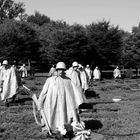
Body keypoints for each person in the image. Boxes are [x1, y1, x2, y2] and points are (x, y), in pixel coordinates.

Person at [38, 62, 84, 135]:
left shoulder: (68, 80)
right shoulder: (50, 80)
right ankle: (51, 128)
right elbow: (44, 92)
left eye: (62, 70)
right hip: (52, 102)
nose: (61, 71)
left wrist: (78, 104)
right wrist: (40, 102)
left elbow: (75, 92)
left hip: (65, 103)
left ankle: (65, 129)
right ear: (56, 70)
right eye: (59, 70)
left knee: (64, 116)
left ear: (65, 70)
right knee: (52, 115)